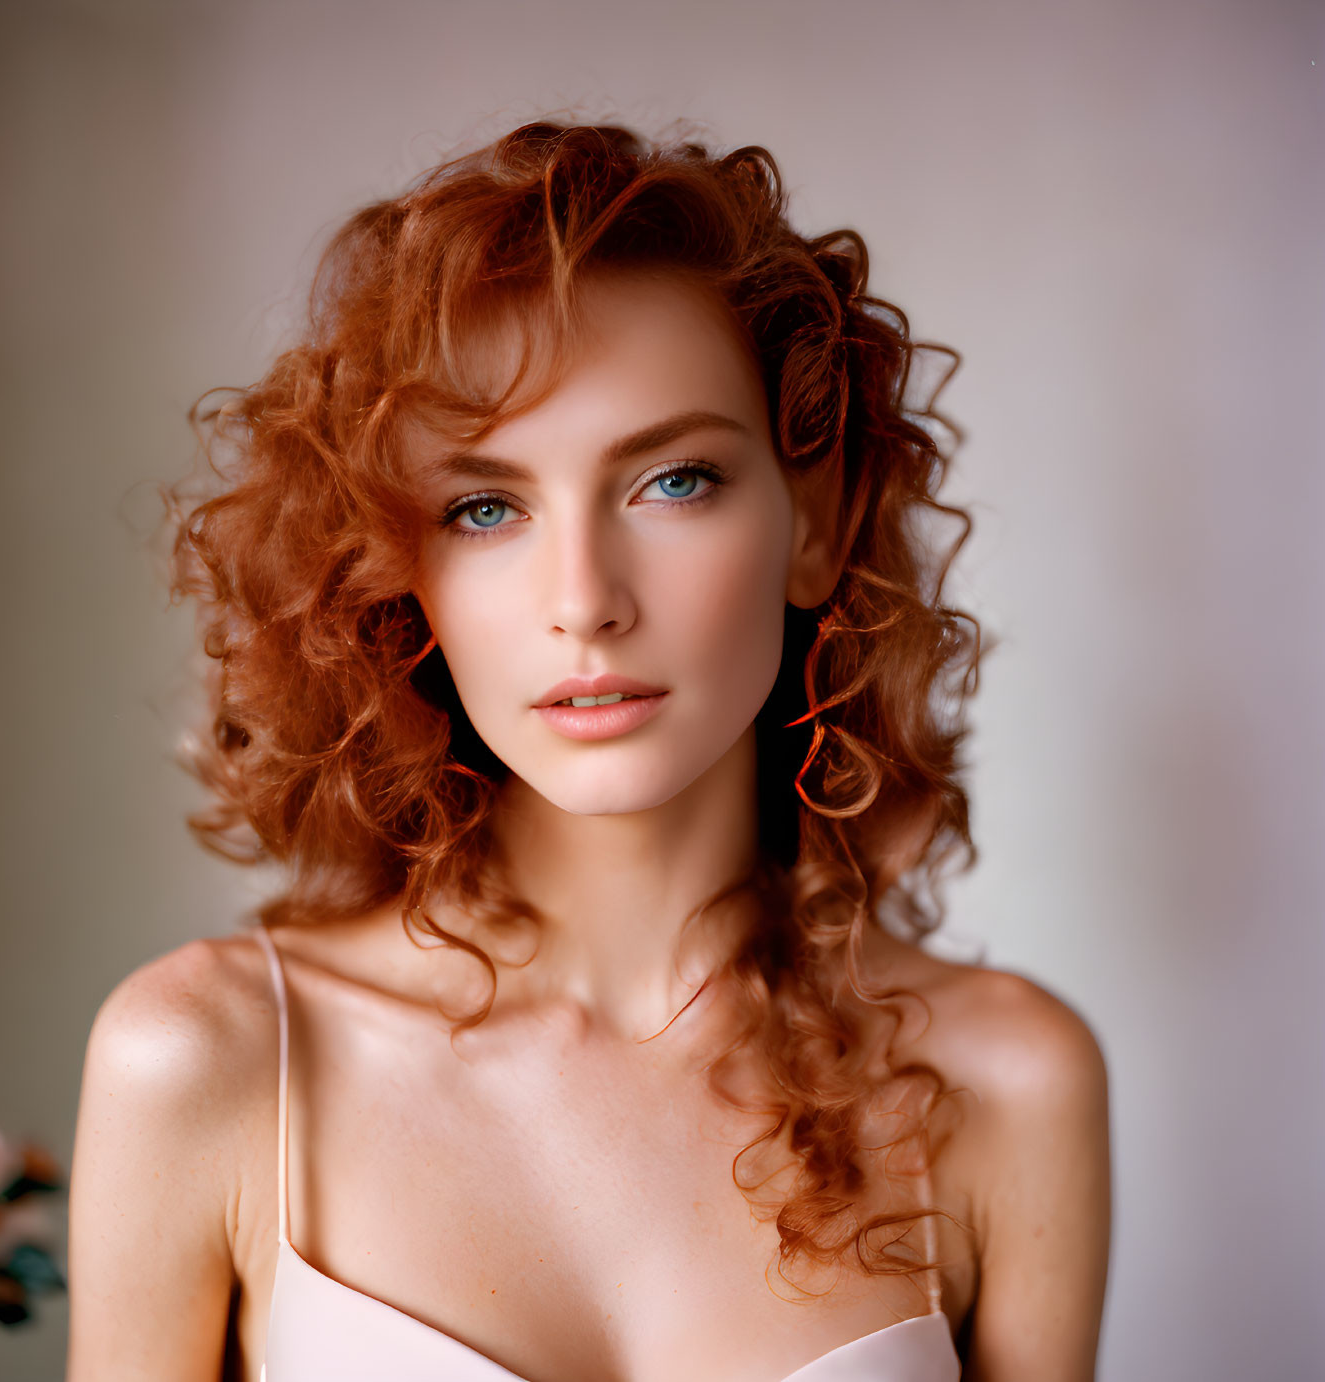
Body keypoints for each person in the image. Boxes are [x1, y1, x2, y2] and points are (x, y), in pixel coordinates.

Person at [65, 120, 1111, 1382]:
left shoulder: (1003, 1082)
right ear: (398, 573)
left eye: (671, 480)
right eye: (483, 506)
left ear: (816, 520)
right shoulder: (211, 1058)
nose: (584, 599)